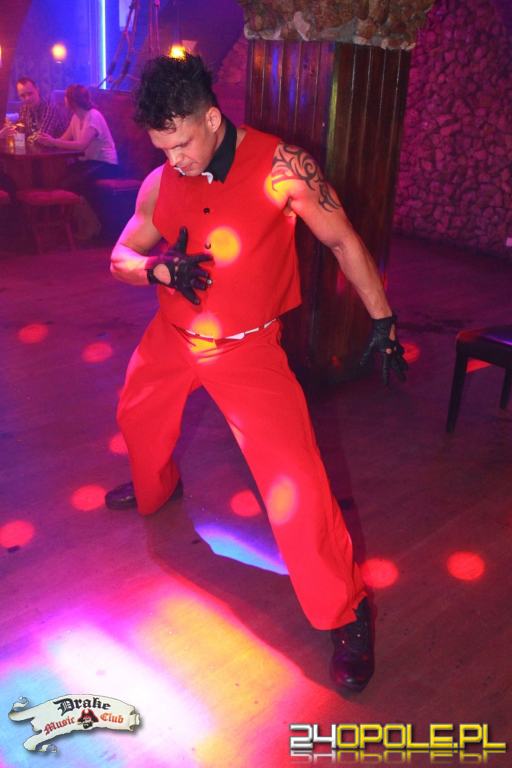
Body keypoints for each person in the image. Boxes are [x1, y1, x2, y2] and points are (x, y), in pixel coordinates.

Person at [105, 54, 407, 693]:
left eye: (182, 144)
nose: (175, 160)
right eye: (163, 149)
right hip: (172, 337)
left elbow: (343, 241)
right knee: (135, 414)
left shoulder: (283, 168)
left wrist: (383, 321)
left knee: (296, 486)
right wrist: (157, 269)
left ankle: (346, 613)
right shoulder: (161, 180)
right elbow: (120, 254)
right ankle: (157, 487)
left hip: (247, 352)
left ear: (212, 118)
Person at [36, 84, 119, 200]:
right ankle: (75, 209)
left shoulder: (93, 116)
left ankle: (82, 209)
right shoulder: (76, 117)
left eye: (66, 96)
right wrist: (47, 141)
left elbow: (81, 146)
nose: (64, 99)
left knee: (69, 184)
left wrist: (53, 142)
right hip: (88, 162)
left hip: (105, 164)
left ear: (72, 101)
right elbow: (62, 140)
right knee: (60, 180)